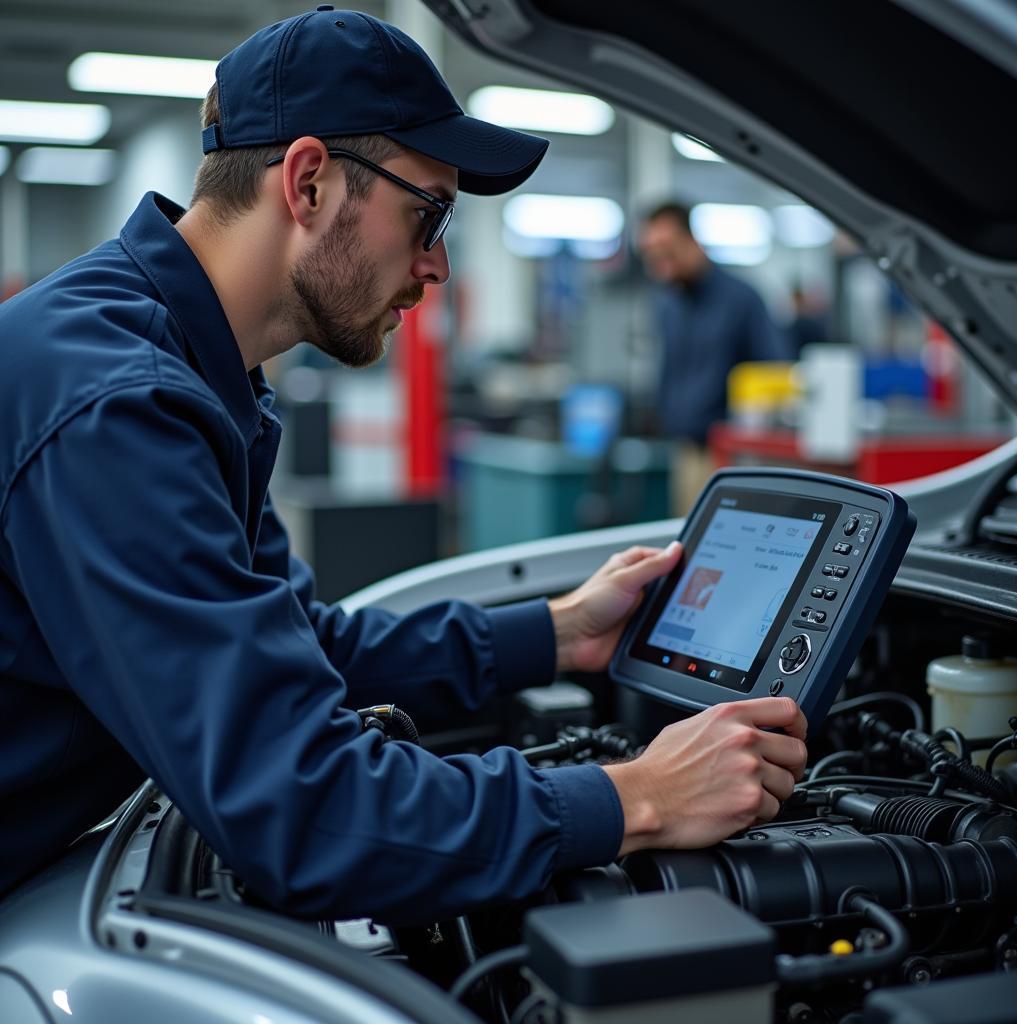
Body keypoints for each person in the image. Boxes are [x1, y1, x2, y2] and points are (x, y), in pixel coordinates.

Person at [0, 8, 806, 923]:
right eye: (427, 213)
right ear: (306, 183)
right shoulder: (116, 401)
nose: (438, 268)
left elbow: (300, 647)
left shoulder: (192, 369)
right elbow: (306, 813)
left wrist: (559, 632)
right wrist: (643, 797)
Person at [638, 202, 792, 514]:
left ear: (692, 241)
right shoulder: (668, 305)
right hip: (684, 451)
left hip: (730, 454)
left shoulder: (742, 299)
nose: (661, 263)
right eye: (652, 254)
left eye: (667, 250)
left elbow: (774, 369)